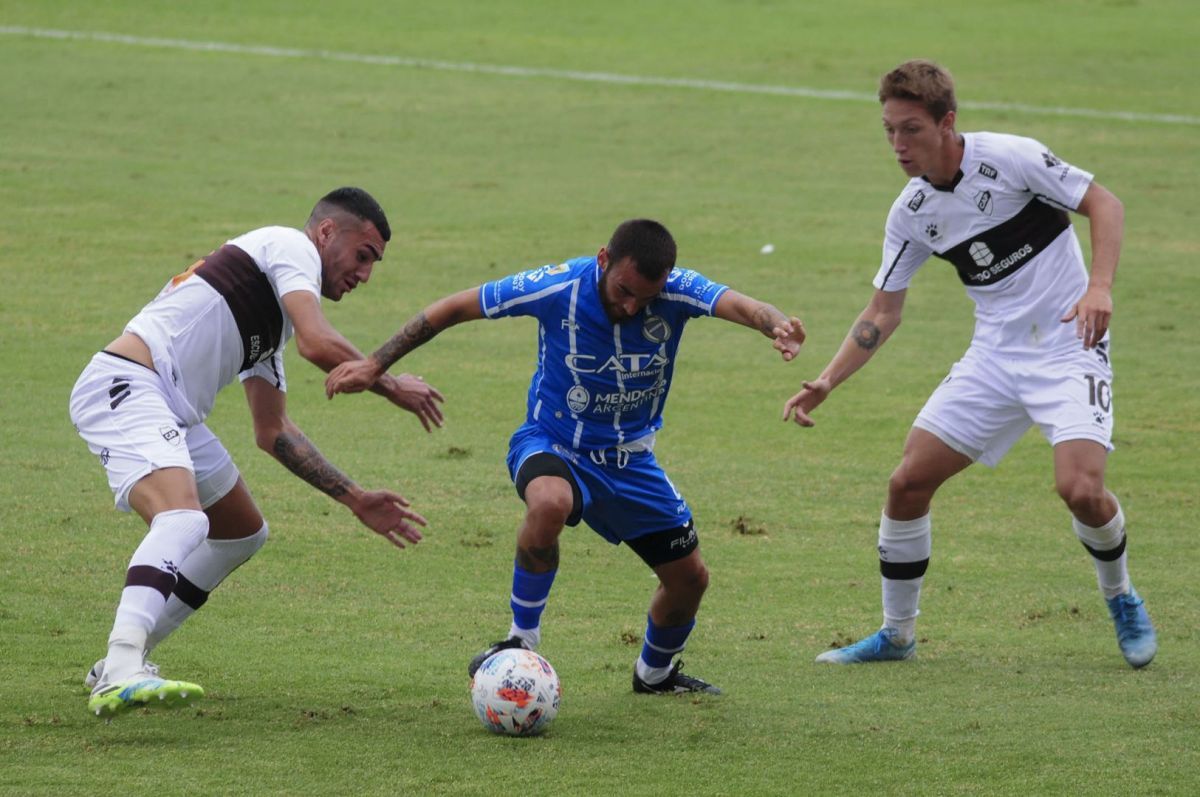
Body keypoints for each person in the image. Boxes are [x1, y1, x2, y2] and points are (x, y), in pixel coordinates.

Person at [326, 219, 805, 694]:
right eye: (623, 290)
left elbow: (744, 305)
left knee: (690, 580)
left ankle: (654, 676)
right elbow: (453, 308)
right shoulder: (557, 286)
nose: (632, 305)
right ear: (603, 260)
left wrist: (776, 325)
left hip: (631, 461)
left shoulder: (677, 291)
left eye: (646, 297)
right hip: (552, 443)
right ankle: (520, 641)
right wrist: (375, 364)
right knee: (550, 502)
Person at [783, 60, 1156, 668]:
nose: (899, 146)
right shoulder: (911, 212)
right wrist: (828, 379)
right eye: (889, 132)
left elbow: (1105, 204)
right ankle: (897, 635)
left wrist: (1100, 286)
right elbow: (883, 311)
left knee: (1081, 490)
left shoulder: (1012, 159)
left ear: (946, 122)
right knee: (907, 483)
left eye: (911, 130)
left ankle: (1121, 597)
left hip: (1069, 347)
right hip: (994, 359)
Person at [70, 187, 446, 717]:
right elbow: (320, 344)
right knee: (183, 520)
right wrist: (387, 379)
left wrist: (355, 498)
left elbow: (273, 431)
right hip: (128, 385)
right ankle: (122, 664)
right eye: (364, 256)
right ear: (326, 233)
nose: (365, 275)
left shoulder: (274, 319)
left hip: (167, 407)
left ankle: (121, 662)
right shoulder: (287, 245)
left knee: (240, 531)